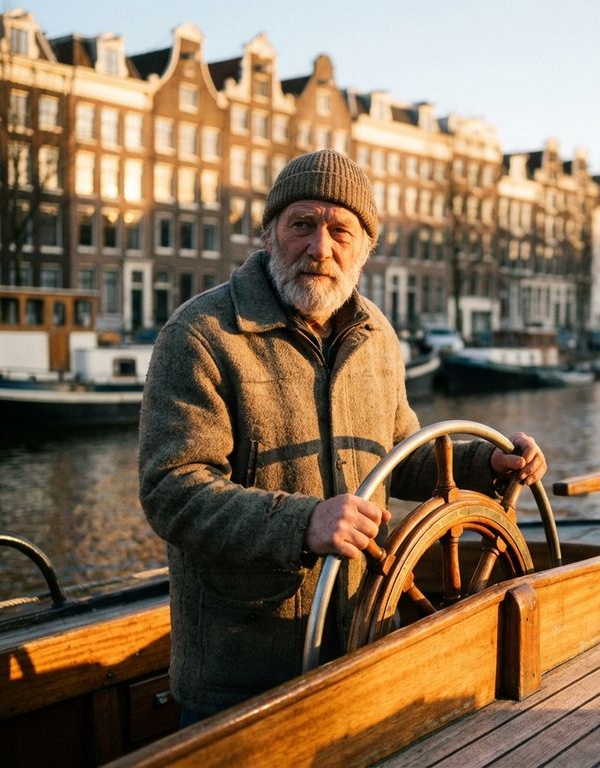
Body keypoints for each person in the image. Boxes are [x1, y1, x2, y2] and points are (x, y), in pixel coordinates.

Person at [138, 149, 546, 723]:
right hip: (244, 676)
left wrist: (487, 463)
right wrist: (302, 522)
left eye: (339, 230)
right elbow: (172, 491)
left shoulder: (377, 334)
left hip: (363, 644)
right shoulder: (202, 334)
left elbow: (401, 453)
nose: (319, 248)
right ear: (269, 233)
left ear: (365, 248)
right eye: (301, 224)